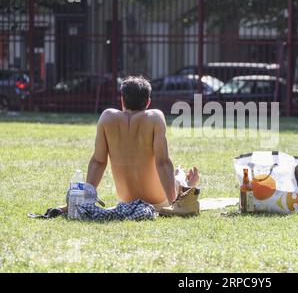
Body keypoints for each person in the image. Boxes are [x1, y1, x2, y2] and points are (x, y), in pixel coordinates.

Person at [66, 75, 200, 216]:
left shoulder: (107, 117)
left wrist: (86, 199)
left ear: (122, 100)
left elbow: (98, 162)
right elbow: (163, 162)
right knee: (177, 174)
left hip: (126, 201)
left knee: (175, 174)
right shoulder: (155, 117)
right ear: (148, 102)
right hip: (159, 201)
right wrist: (174, 204)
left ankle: (182, 180)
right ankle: (185, 182)